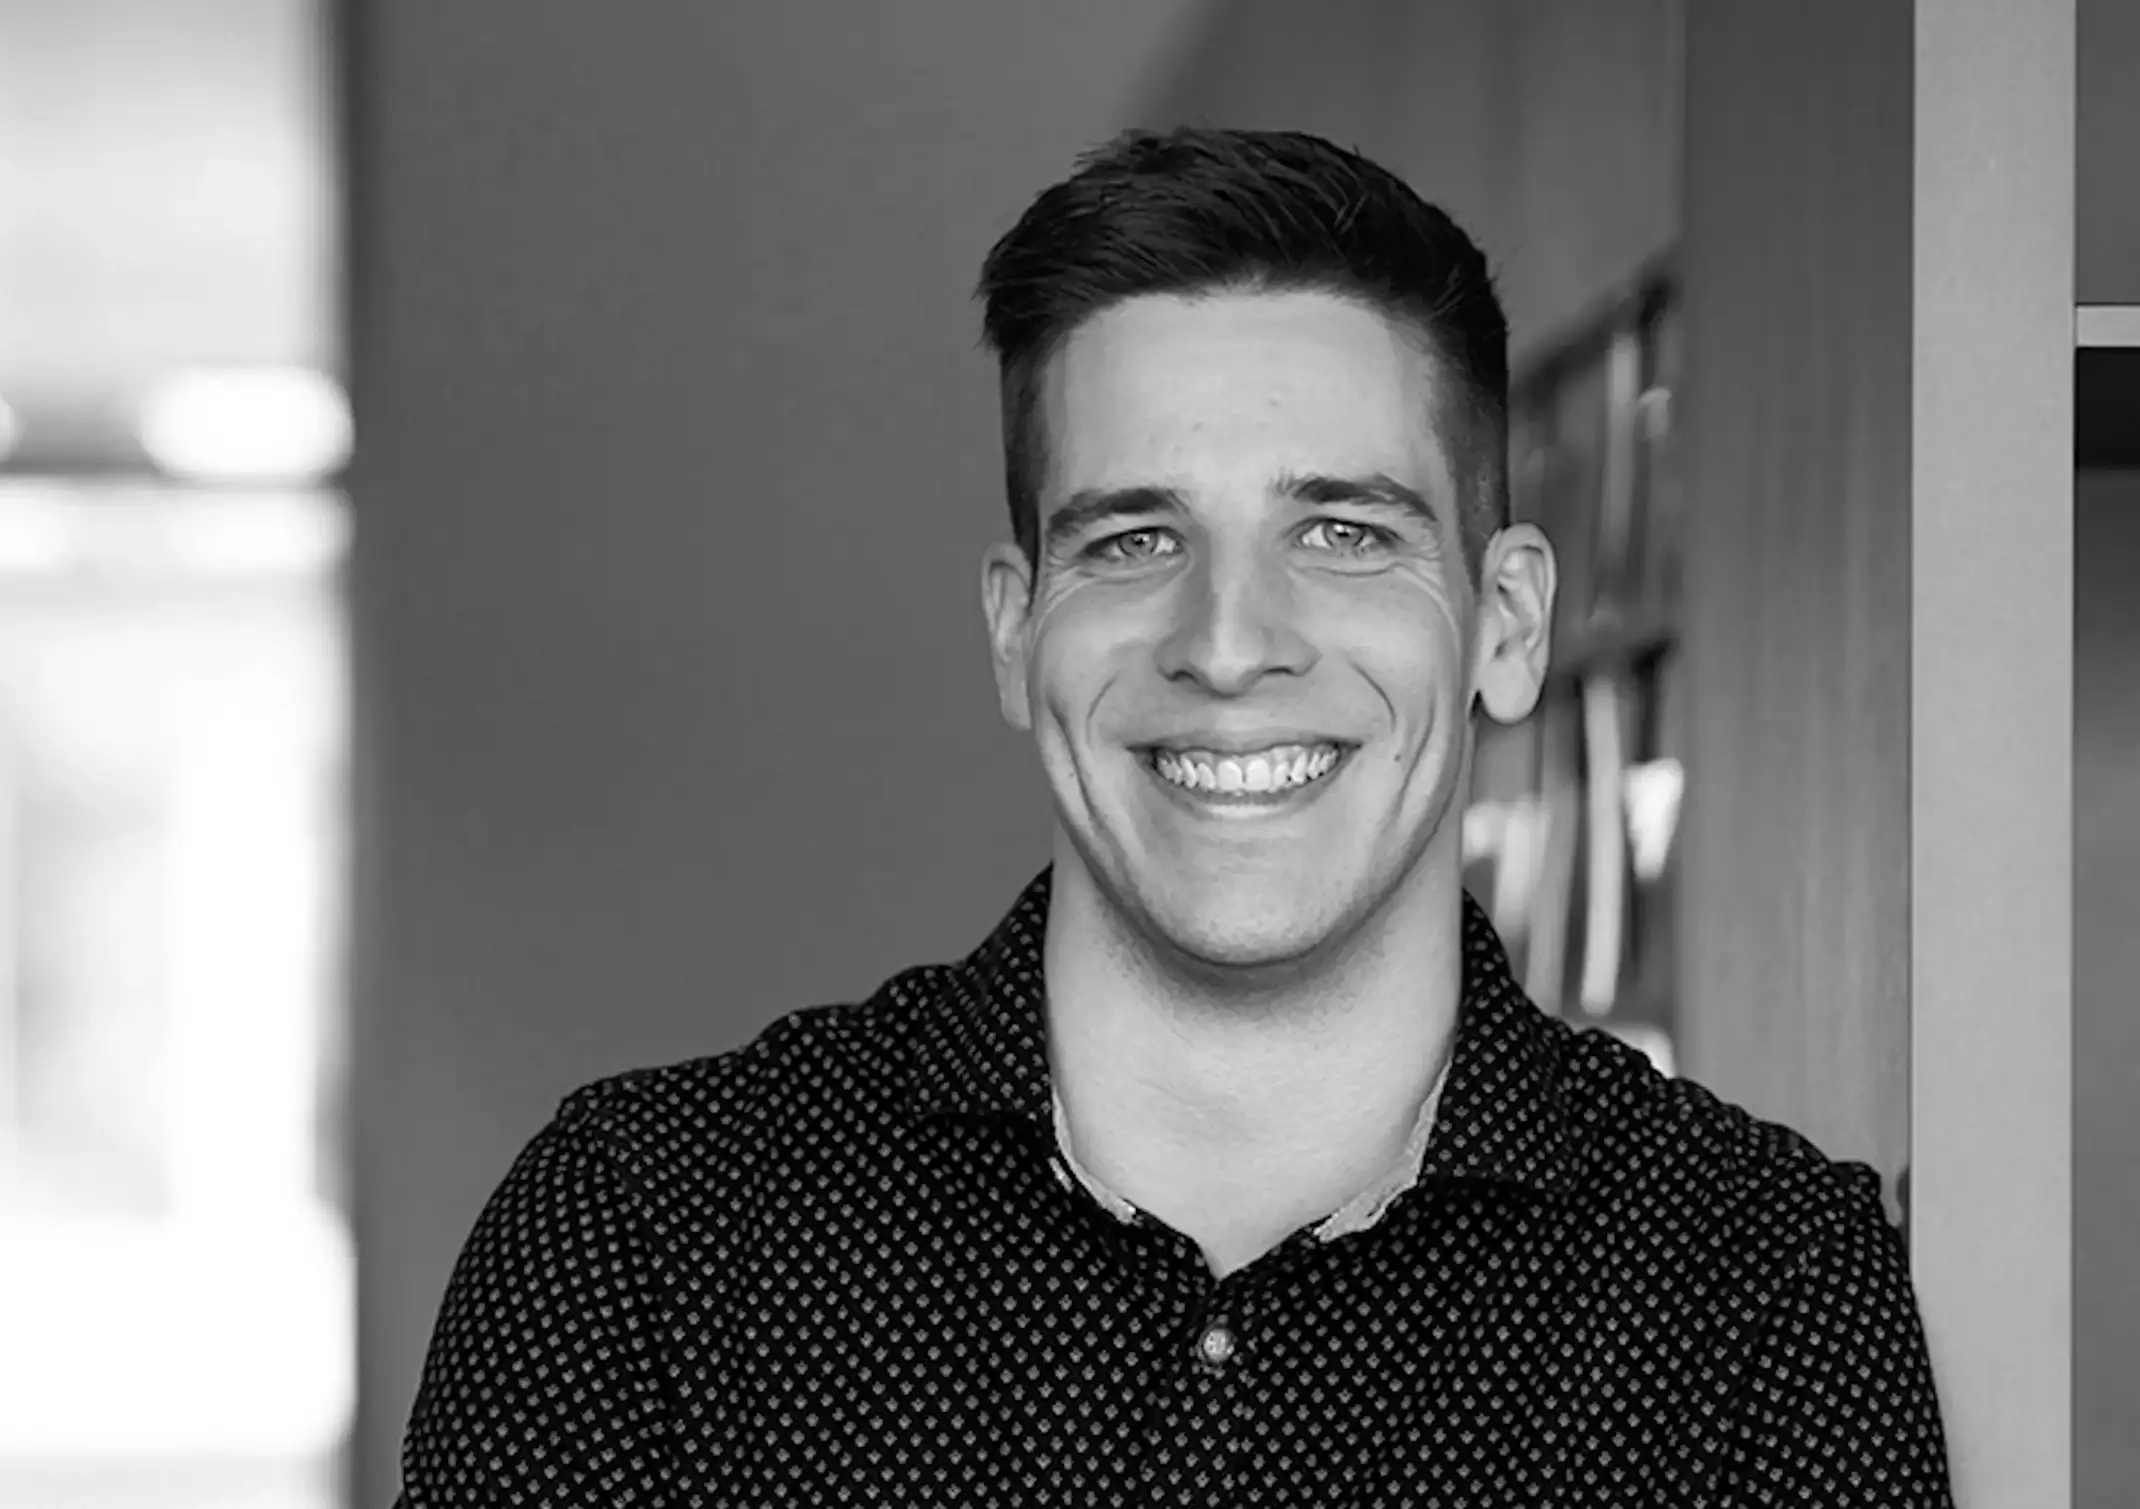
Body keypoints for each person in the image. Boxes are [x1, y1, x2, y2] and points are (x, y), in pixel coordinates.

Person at [395, 127, 1953, 1506]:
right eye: (1134, 541)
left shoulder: (1763, 1296)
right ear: (1016, 633)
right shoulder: (644, 1248)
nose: (1226, 644)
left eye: (1342, 532)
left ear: (1508, 622)